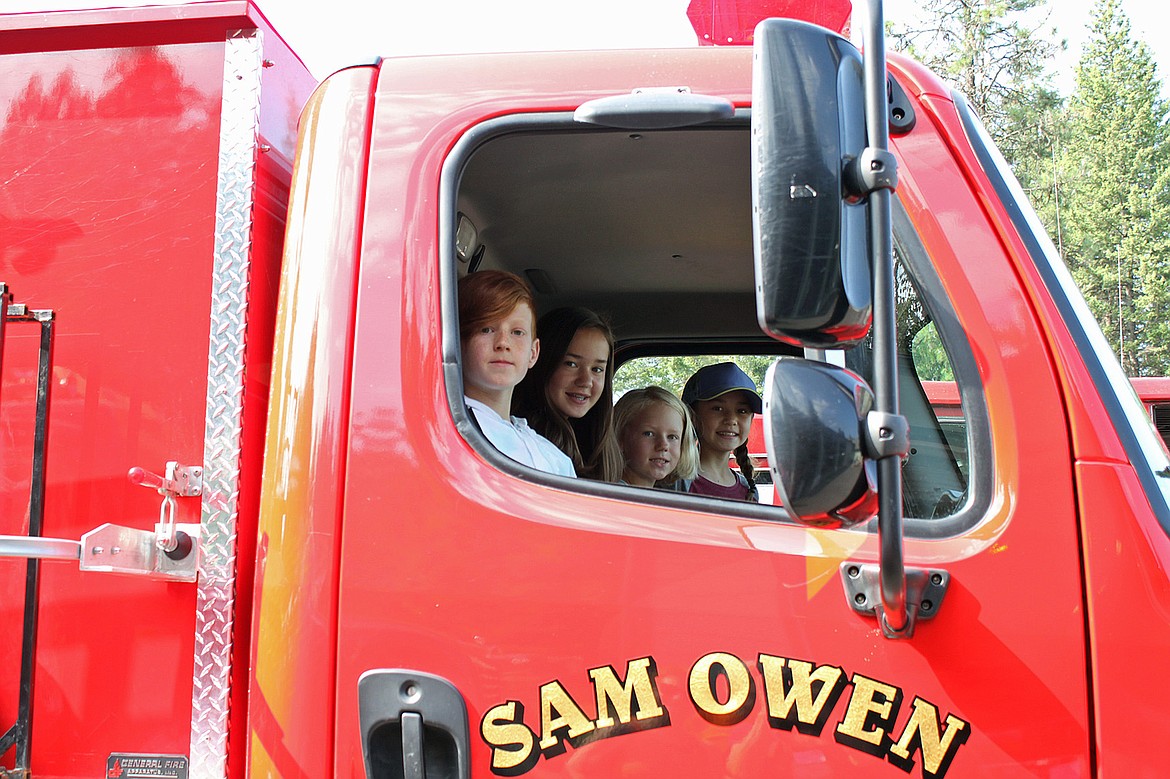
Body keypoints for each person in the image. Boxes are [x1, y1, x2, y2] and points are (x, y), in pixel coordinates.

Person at [458, 270, 575, 477]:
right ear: (458, 344)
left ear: (533, 352)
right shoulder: (454, 434)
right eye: (486, 329)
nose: (503, 343)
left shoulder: (555, 458)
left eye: (517, 332)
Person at [512, 307, 623, 481]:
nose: (586, 381)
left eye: (597, 369)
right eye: (571, 364)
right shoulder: (530, 442)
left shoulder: (593, 439)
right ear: (541, 361)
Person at [681, 362, 762, 501]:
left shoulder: (748, 490)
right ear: (692, 415)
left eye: (742, 411)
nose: (731, 419)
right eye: (717, 408)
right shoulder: (678, 482)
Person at [613, 386, 698, 488]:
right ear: (620, 438)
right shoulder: (612, 495)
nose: (663, 445)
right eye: (649, 434)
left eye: (672, 437)